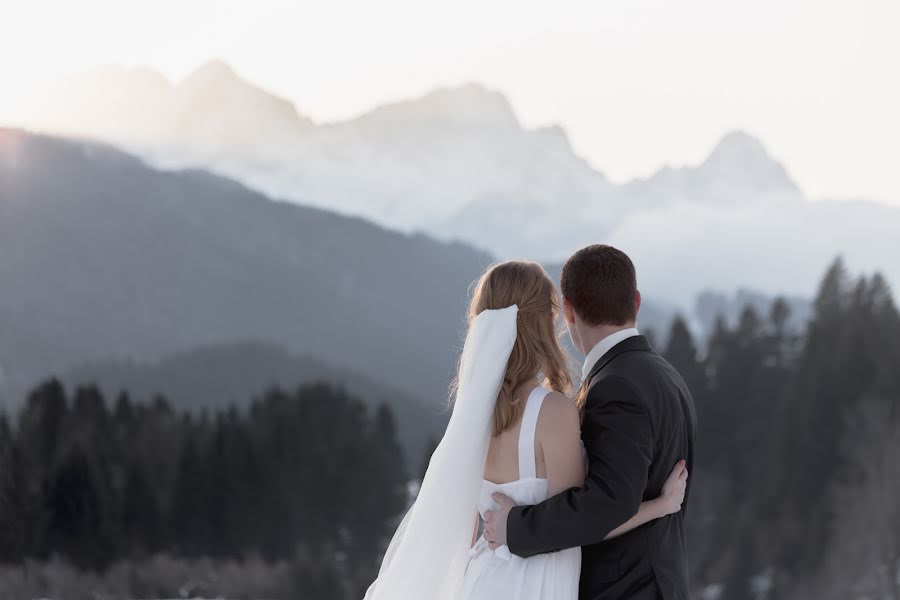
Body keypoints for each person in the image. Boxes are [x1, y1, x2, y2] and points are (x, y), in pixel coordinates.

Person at [364, 255, 691, 600]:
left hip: (482, 578)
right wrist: (661, 505)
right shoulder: (553, 412)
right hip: (535, 584)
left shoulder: (475, 416)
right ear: (547, 321)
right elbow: (582, 522)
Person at [483, 246, 697, 600]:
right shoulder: (664, 374)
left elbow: (608, 502)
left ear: (568, 311)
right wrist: (662, 506)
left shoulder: (615, 385)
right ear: (637, 302)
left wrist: (515, 527)